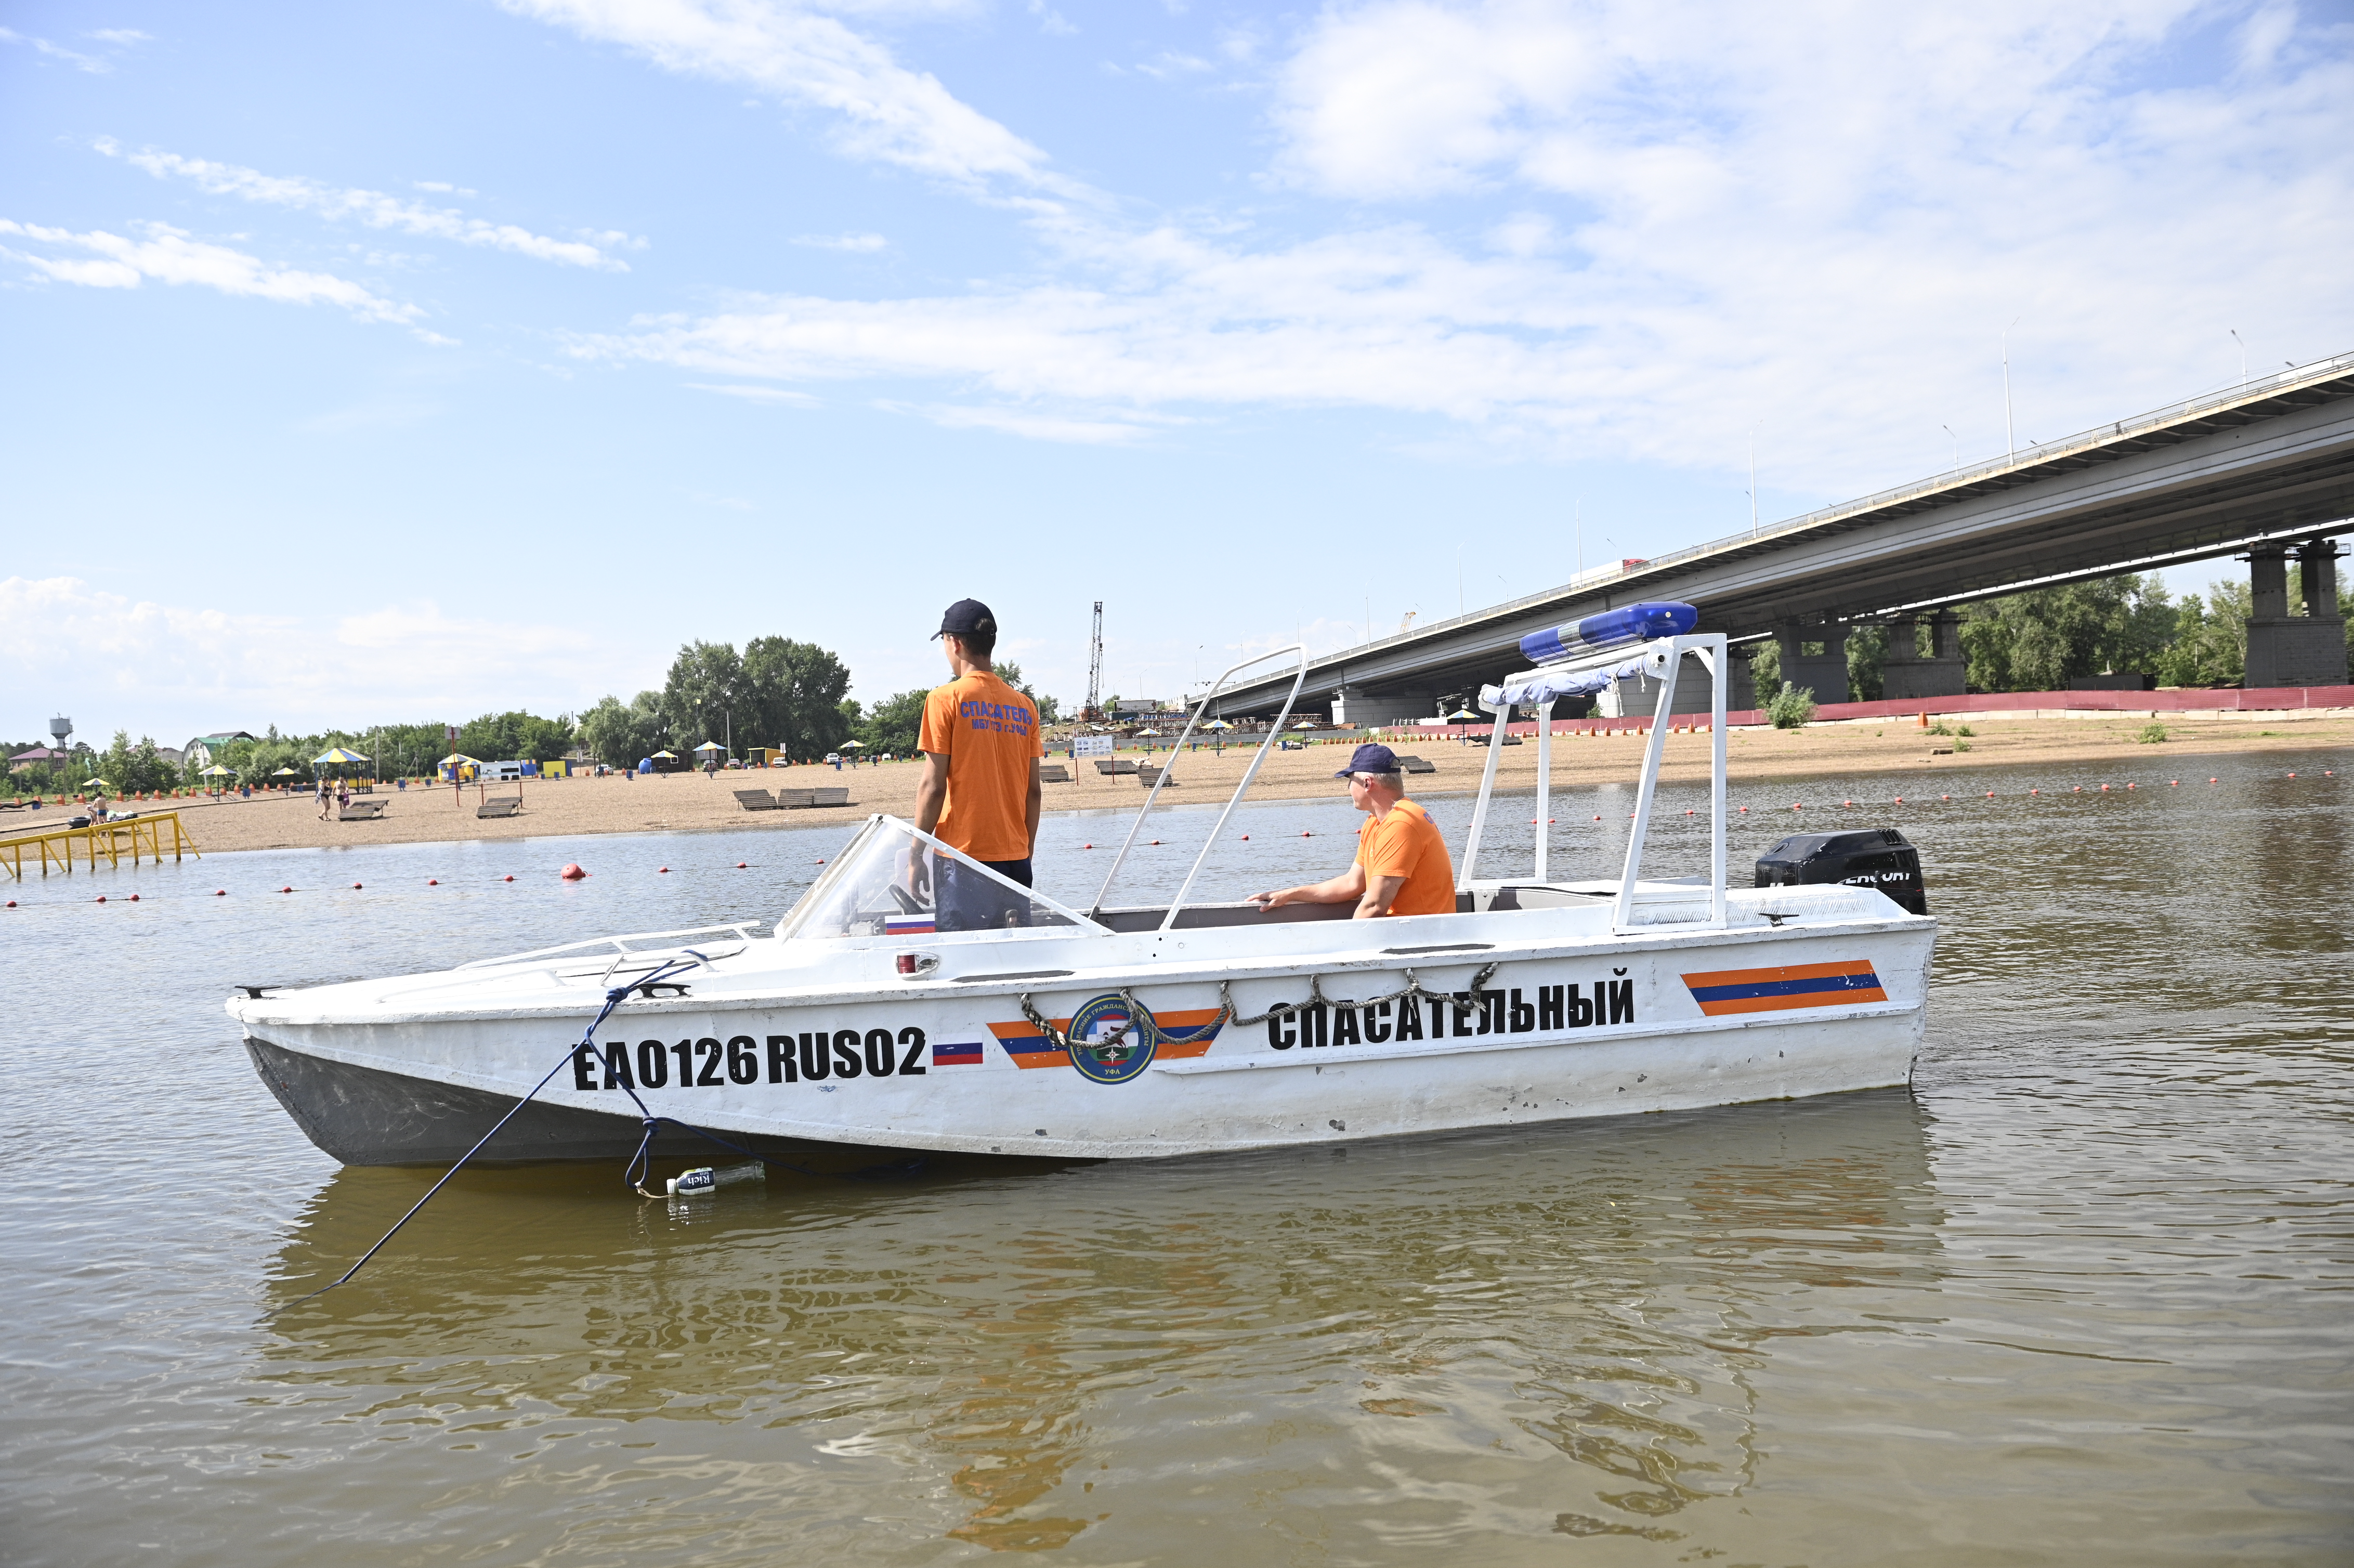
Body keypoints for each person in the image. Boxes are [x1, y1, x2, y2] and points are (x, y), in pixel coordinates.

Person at [912, 598, 1043, 932]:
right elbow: (1033, 793)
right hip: (1015, 858)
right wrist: (1023, 852)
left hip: (963, 860)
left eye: (943, 642)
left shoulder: (944, 700)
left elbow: (933, 786)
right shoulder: (1024, 706)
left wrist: (916, 855)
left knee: (964, 965)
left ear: (954, 643)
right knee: (1016, 966)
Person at [1250, 743, 1455, 920]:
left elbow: (1375, 907)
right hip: (1402, 930)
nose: (1348, 787)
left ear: (1367, 783)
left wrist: (1344, 944)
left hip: (1423, 936)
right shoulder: (1376, 821)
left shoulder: (1401, 824)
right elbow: (1352, 884)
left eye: (1350, 780)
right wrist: (1291, 893)